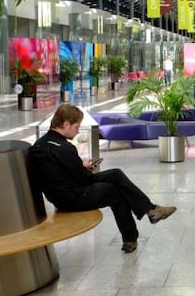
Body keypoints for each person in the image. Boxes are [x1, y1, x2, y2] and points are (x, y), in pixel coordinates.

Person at [27, 104, 177, 253]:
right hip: (73, 198)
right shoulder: (65, 148)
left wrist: (80, 166)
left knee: (115, 175)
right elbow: (85, 179)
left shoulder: (39, 144)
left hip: (58, 196)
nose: (78, 130)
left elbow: (57, 172)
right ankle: (136, 230)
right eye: (76, 127)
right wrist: (85, 169)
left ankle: (149, 213)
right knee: (117, 191)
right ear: (66, 124)